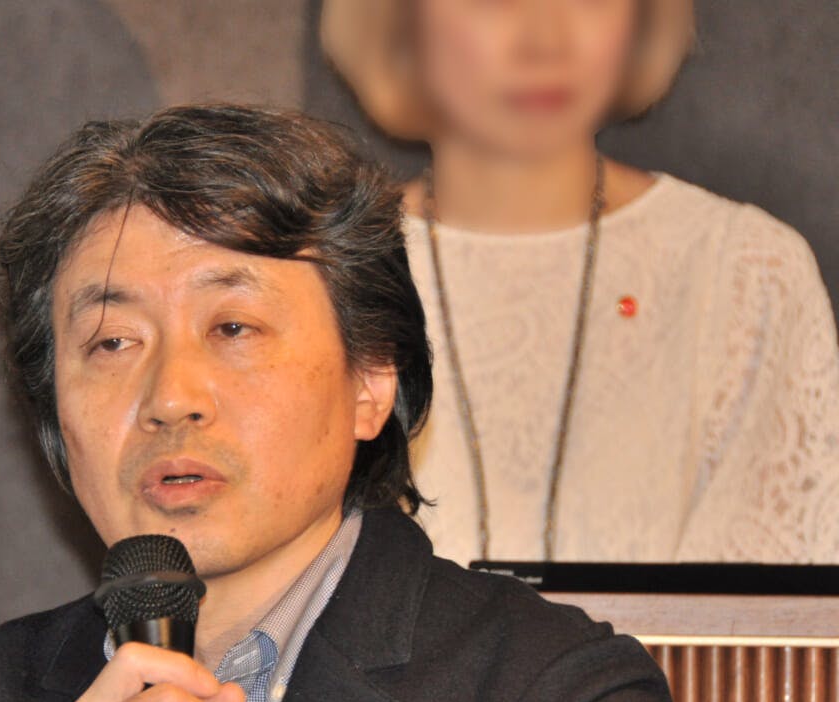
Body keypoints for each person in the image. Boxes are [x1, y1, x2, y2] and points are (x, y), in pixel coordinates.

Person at [0, 104, 682, 702]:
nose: (170, 398)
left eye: (234, 328)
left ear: (370, 381)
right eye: (112, 342)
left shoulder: (546, 695)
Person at [323, 0, 839, 565]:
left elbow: (768, 603)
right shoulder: (323, 269)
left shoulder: (748, 272)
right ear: (399, 17)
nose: (545, 42)